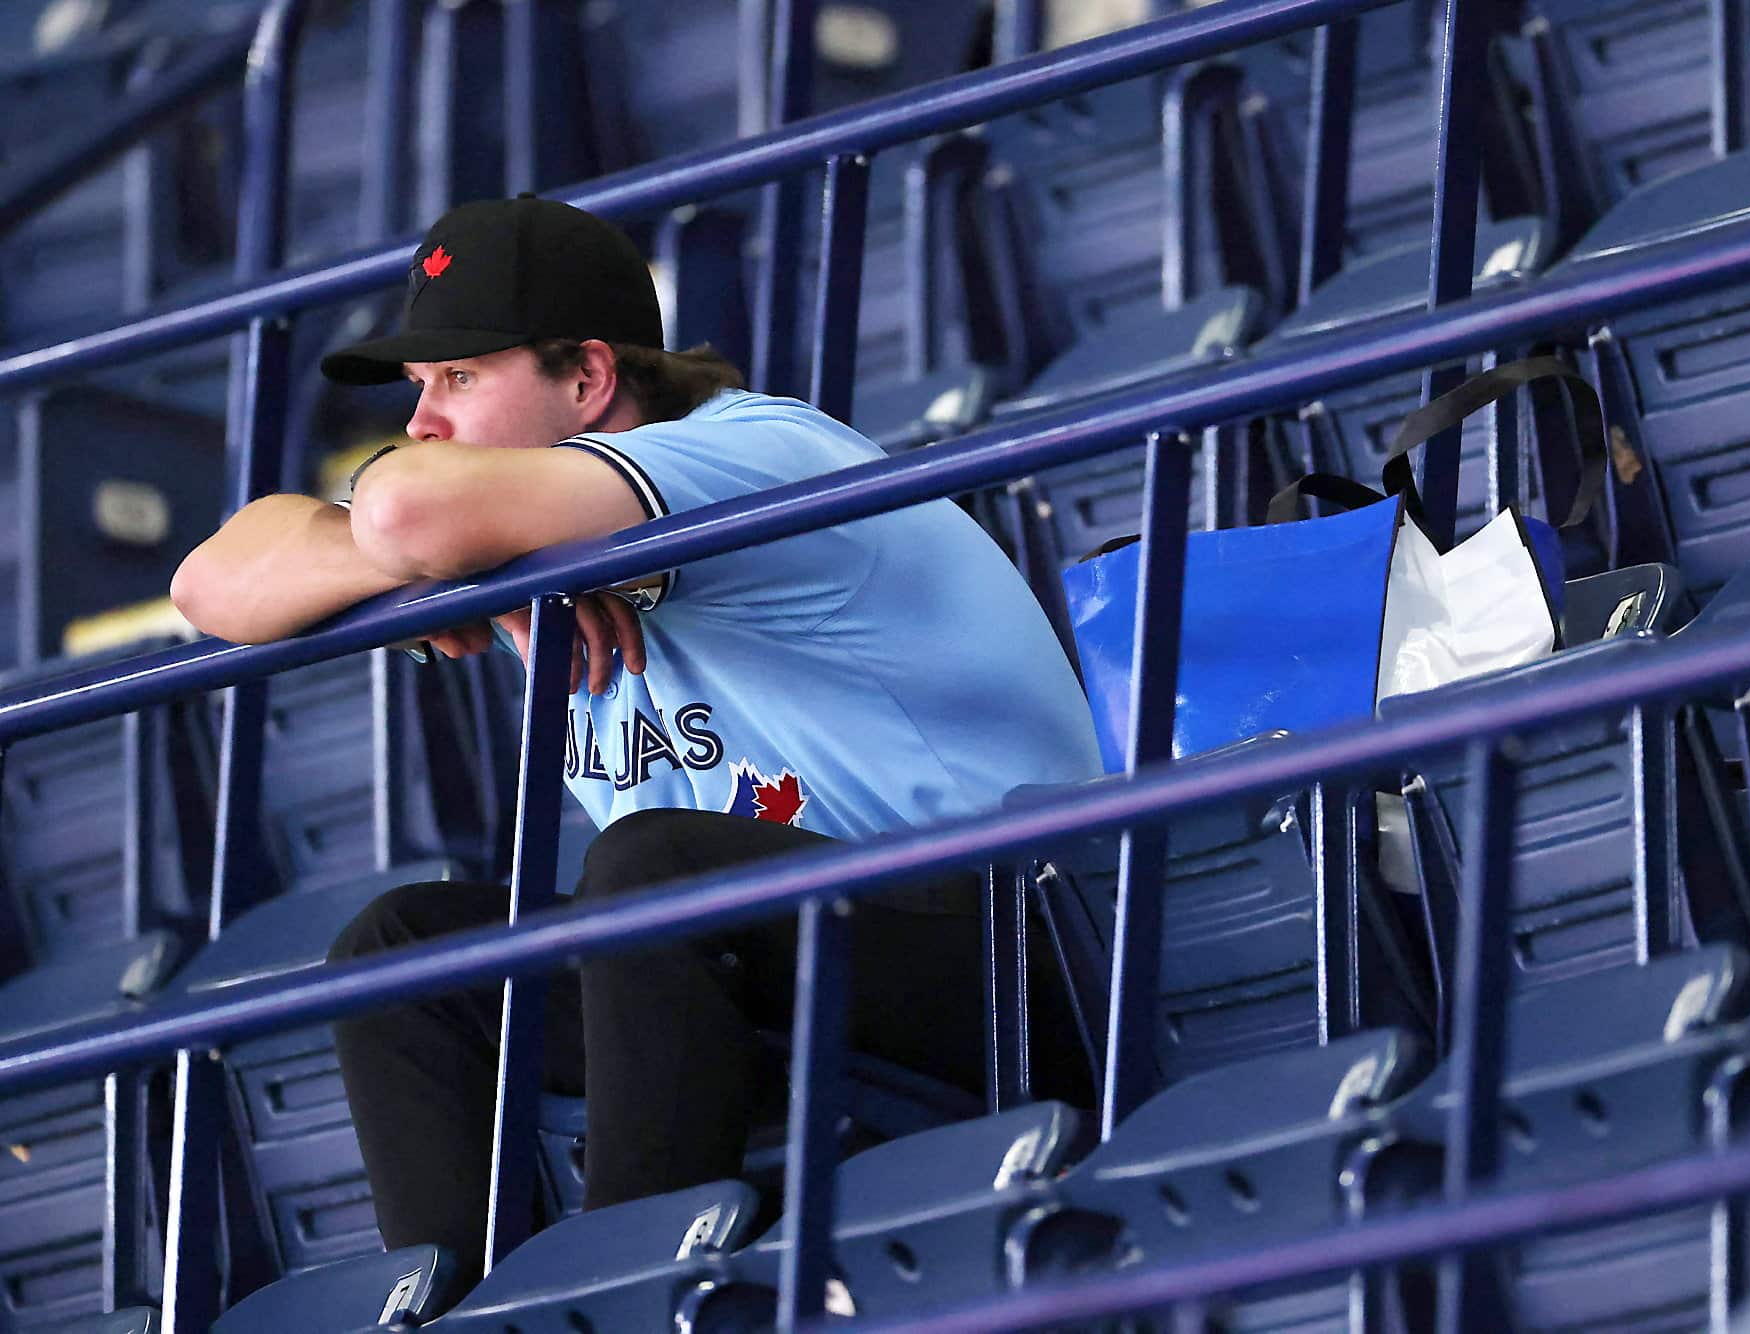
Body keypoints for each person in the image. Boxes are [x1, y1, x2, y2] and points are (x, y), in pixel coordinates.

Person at [169, 195, 1102, 1290]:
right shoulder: (519, 529)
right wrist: (451, 558)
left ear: (590, 379)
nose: (422, 422)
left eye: (460, 378)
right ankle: (477, 1308)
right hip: (760, 968)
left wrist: (426, 546)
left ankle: (618, 1295)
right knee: (405, 948)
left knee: (653, 862)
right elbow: (209, 582)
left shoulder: (756, 446)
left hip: (1006, 946)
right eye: (417, 389)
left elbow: (405, 511)